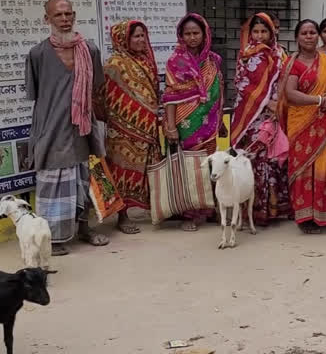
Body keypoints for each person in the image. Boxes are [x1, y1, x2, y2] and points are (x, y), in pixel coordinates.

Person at [25, 0, 110, 256]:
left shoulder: (90, 50)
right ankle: (55, 238)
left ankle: (84, 228)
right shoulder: (38, 54)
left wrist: (98, 124)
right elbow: (36, 93)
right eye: (58, 15)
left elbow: (97, 89)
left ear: (74, 17)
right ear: (47, 19)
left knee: (83, 181)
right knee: (52, 185)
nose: (64, 20)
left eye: (68, 14)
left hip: (81, 129)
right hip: (50, 129)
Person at [277, 19, 326, 234]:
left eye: (312, 33)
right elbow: (290, 94)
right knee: (304, 169)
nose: (309, 36)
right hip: (301, 124)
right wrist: (320, 101)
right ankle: (306, 217)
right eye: (304, 33)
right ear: (297, 37)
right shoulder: (293, 63)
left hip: (325, 124)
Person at [163, 13, 227, 232]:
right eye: (187, 34)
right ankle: (189, 213)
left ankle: (208, 209)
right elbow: (170, 96)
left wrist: (221, 120)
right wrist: (171, 126)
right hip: (186, 122)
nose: (192, 38)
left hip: (210, 122)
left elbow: (219, 90)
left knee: (210, 166)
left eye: (196, 33)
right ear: (181, 36)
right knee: (189, 167)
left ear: (204, 34)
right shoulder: (175, 61)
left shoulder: (214, 60)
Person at [230, 13, 291, 225]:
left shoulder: (281, 54)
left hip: (275, 113)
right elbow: (242, 85)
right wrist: (266, 102)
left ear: (271, 32)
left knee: (272, 159)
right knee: (253, 158)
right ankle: (253, 210)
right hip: (250, 116)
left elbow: (285, 81)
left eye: (264, 31)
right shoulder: (246, 55)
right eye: (255, 31)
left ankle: (273, 209)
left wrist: (278, 103)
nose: (259, 35)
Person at [102, 20, 162, 235]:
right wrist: (124, 119)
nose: (140, 40)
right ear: (123, 39)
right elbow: (102, 99)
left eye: (142, 36)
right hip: (122, 133)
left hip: (148, 129)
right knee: (122, 171)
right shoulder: (113, 65)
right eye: (135, 36)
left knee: (150, 171)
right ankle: (122, 216)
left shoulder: (146, 62)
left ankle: (155, 208)